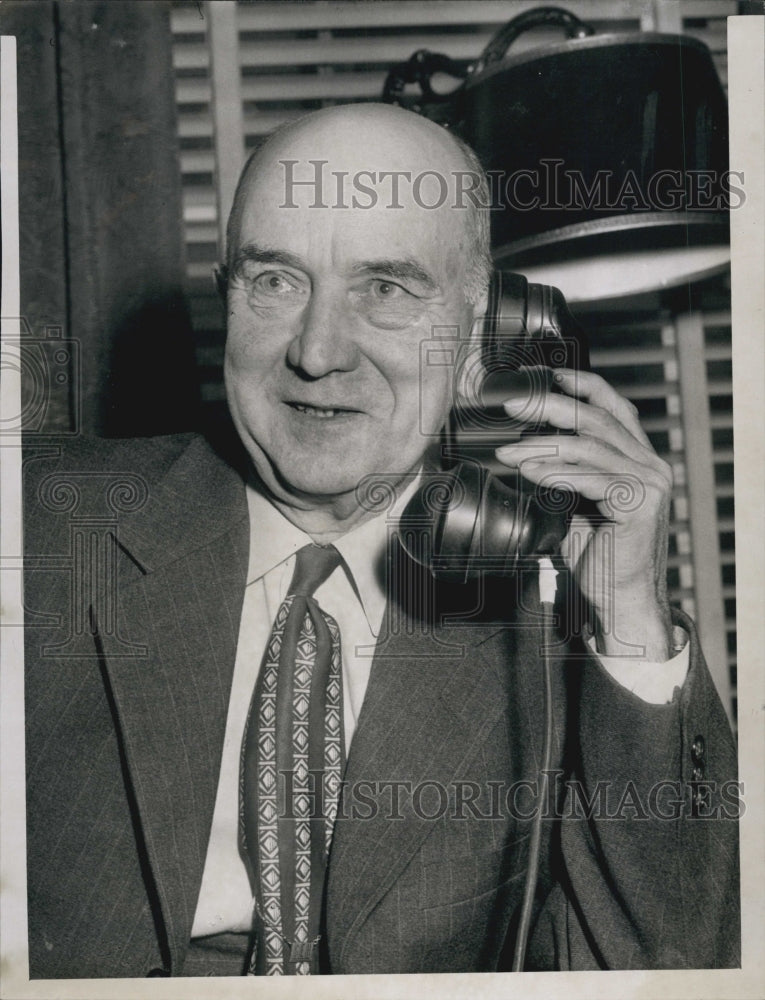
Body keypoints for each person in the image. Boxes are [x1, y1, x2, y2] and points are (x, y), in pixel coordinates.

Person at [23, 103, 739, 979]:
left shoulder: (548, 615)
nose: (319, 352)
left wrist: (627, 619)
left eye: (386, 290)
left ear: (481, 345)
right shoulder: (37, 522)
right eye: (276, 282)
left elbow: (668, 963)